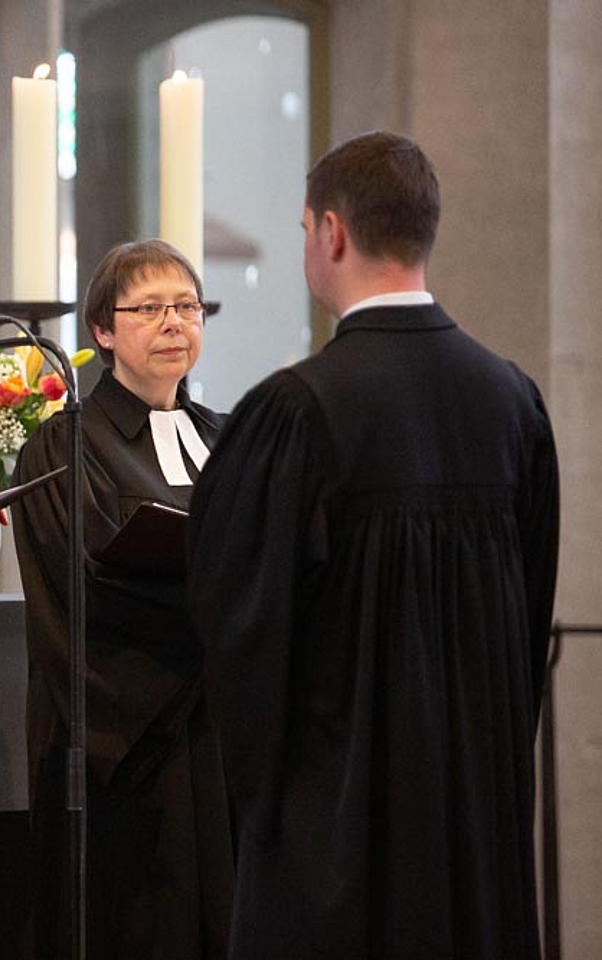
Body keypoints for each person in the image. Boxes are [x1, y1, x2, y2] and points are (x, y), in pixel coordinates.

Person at [187, 131, 559, 960]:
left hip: (339, 840)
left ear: (332, 233)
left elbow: (243, 634)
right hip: (474, 832)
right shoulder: (513, 403)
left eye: (303, 230)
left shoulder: (295, 412)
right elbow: (527, 626)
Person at [13, 239, 233, 958]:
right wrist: (223, 616)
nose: (174, 323)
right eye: (149, 309)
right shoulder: (65, 446)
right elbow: (85, 588)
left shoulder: (229, 439)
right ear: (103, 331)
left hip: (225, 734)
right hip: (131, 739)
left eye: (187, 307)